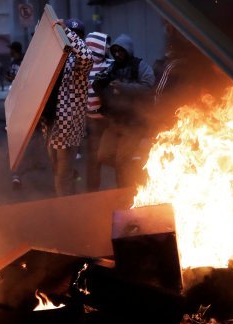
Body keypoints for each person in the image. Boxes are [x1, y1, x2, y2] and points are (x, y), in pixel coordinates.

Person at [92, 33, 156, 188]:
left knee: (122, 160)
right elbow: (101, 86)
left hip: (133, 123)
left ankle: (126, 191)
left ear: (128, 50)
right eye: (115, 51)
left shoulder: (139, 65)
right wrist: (99, 83)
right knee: (102, 156)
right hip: (115, 122)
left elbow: (149, 85)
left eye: (121, 51)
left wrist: (125, 87)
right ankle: (132, 173)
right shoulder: (113, 67)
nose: (118, 54)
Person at [41, 19, 92, 196]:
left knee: (63, 173)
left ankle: (66, 208)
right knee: (57, 169)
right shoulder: (57, 57)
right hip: (51, 123)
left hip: (67, 125)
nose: (71, 38)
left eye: (76, 35)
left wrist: (67, 32)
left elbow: (86, 56)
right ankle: (67, 198)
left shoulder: (77, 62)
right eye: (70, 33)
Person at [84, 31, 112, 192]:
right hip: (93, 120)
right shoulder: (84, 68)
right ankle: (92, 191)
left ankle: (121, 188)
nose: (108, 47)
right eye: (104, 44)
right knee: (94, 157)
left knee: (113, 155)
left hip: (109, 119)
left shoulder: (110, 64)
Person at [6, 41, 26, 189]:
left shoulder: (24, 61)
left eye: (11, 50)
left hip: (23, 100)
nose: (10, 52)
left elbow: (22, 79)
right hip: (15, 100)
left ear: (15, 50)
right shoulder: (13, 62)